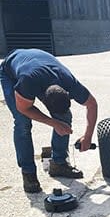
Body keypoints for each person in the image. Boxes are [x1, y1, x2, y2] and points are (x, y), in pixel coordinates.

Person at [0, 48, 98, 193]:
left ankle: (58, 163)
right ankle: (28, 173)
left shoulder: (68, 81)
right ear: (42, 99)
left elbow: (92, 104)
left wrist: (88, 136)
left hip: (38, 64)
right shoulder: (27, 82)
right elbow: (24, 109)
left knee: (64, 117)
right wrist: (53, 122)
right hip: (10, 72)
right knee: (23, 123)